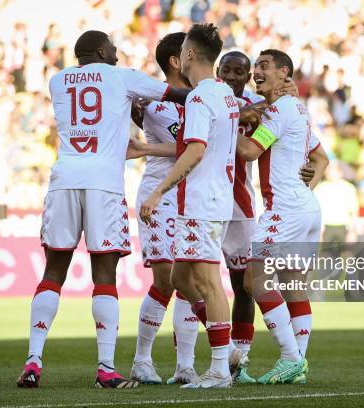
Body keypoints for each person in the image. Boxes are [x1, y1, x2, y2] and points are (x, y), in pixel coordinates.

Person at [16, 30, 191, 389]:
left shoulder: (57, 80)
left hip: (64, 178)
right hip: (104, 183)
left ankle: (33, 360)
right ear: (100, 50)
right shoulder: (123, 76)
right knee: (105, 274)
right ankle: (106, 368)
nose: (116, 51)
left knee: (53, 270)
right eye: (111, 47)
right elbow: (180, 95)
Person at [216, 51, 328, 383]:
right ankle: (299, 365)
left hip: (286, 209)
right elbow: (321, 157)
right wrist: (310, 182)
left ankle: (291, 358)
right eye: (257, 67)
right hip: (305, 206)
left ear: (284, 74)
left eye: (264, 66)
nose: (256, 72)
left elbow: (249, 152)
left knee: (254, 282)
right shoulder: (296, 108)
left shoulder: (280, 109)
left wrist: (227, 126)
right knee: (294, 285)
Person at [139, 23, 239, 389]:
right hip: (213, 198)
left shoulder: (199, 98)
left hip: (202, 200)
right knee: (181, 278)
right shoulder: (225, 94)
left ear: (189, 56)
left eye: (182, 50)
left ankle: (218, 370)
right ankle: (224, 346)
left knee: (210, 284)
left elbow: (195, 150)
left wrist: (157, 192)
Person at [129, 32, 200, 386]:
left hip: (192, 197)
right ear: (176, 61)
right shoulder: (153, 102)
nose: (198, 60)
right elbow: (188, 147)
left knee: (188, 278)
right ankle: (141, 360)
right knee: (166, 279)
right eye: (191, 54)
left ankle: (185, 366)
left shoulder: (200, 99)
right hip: (160, 196)